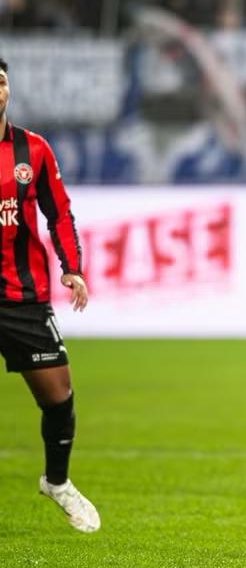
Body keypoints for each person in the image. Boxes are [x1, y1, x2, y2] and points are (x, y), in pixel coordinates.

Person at [0, 58, 99, 533]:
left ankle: (56, 482)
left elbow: (59, 213)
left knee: (59, 398)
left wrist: (72, 268)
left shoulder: (32, 149)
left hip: (22, 297)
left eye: (0, 81)